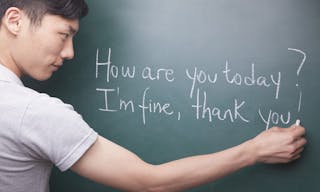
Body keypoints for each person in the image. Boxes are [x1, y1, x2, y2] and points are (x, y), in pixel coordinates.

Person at [0, 0, 307, 192]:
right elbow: (150, 182)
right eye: (64, 34)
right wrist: (253, 150)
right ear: (15, 20)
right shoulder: (33, 112)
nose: (69, 53)